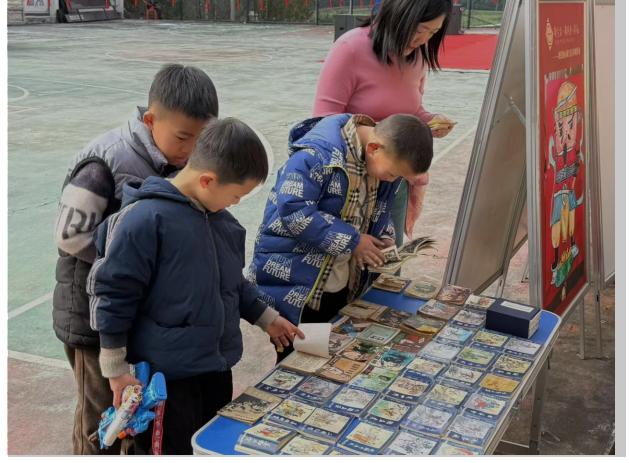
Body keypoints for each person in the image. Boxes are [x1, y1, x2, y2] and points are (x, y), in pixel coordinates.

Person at [87, 118, 303, 455]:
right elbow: (114, 295)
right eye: (237, 194)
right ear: (207, 180)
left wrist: (266, 318)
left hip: (215, 368)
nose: (236, 203)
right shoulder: (145, 220)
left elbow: (233, 284)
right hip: (167, 380)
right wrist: (115, 369)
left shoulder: (224, 223)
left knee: (209, 445)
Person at [53, 63, 219, 455]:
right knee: (101, 419)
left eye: (201, 138)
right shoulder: (106, 162)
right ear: (150, 120)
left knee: (131, 414)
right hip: (91, 317)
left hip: (135, 313)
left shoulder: (176, 162)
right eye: (183, 137)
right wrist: (133, 264)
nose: (191, 150)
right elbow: (69, 235)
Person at [249, 113, 433, 360]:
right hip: (299, 287)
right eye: (392, 174)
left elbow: (377, 210)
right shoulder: (316, 155)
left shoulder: (382, 163)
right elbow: (294, 211)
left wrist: (384, 236)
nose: (393, 179)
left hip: (342, 282)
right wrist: (353, 241)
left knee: (335, 354)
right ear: (374, 148)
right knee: (297, 358)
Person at [313, 0, 455, 248]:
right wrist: (378, 134)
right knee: (345, 257)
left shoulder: (418, 57)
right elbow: (323, 122)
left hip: (394, 179)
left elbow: (411, 110)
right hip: (349, 183)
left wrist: (430, 120)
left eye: (432, 33)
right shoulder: (350, 48)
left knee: (387, 254)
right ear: (398, 15)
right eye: (419, 30)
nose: (423, 40)